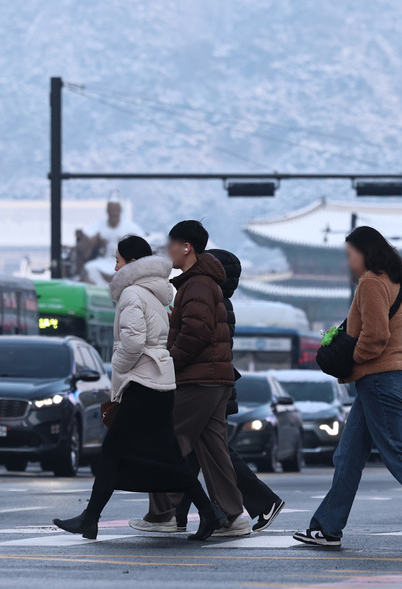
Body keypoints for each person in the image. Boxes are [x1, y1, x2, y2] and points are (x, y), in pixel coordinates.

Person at [294, 226, 402, 550]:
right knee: (347, 456)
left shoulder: (372, 282)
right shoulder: (394, 280)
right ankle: (327, 528)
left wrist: (351, 360)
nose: (348, 262)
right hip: (382, 379)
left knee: (396, 452)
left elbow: (376, 336)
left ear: (365, 252)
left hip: (378, 379)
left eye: (350, 255)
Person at [51, 235, 220, 541]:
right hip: (159, 383)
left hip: (142, 383)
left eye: (117, 261)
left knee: (113, 450)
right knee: (164, 455)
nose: (115, 267)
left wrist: (118, 365)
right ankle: (209, 513)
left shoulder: (131, 293)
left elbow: (132, 341)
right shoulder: (155, 294)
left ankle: (90, 519)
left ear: (131, 263)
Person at [132, 221, 251, 537]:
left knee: (167, 440)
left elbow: (195, 333)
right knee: (214, 451)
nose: (167, 250)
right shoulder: (204, 282)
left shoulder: (197, 284)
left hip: (198, 378)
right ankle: (233, 516)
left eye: (171, 244)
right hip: (215, 379)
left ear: (186, 247)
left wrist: (170, 362)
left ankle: (163, 515)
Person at [173, 248, 286, 532]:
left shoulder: (213, 300)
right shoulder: (220, 299)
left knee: (214, 453)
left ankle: (263, 501)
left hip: (207, 385)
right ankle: (177, 515)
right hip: (216, 384)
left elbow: (200, 341)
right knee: (198, 453)